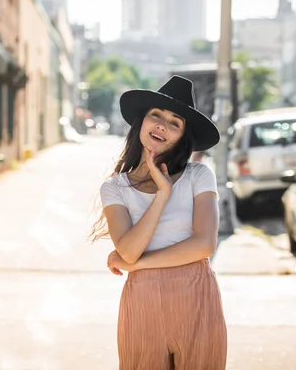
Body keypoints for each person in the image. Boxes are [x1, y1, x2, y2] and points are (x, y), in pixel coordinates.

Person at [89, 76, 227, 369]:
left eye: (175, 122)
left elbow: (204, 245)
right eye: (156, 115)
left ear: (182, 136)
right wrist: (162, 193)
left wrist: (136, 264)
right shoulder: (115, 188)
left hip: (196, 296)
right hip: (143, 299)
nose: (163, 125)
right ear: (141, 122)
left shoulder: (199, 176)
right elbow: (127, 251)